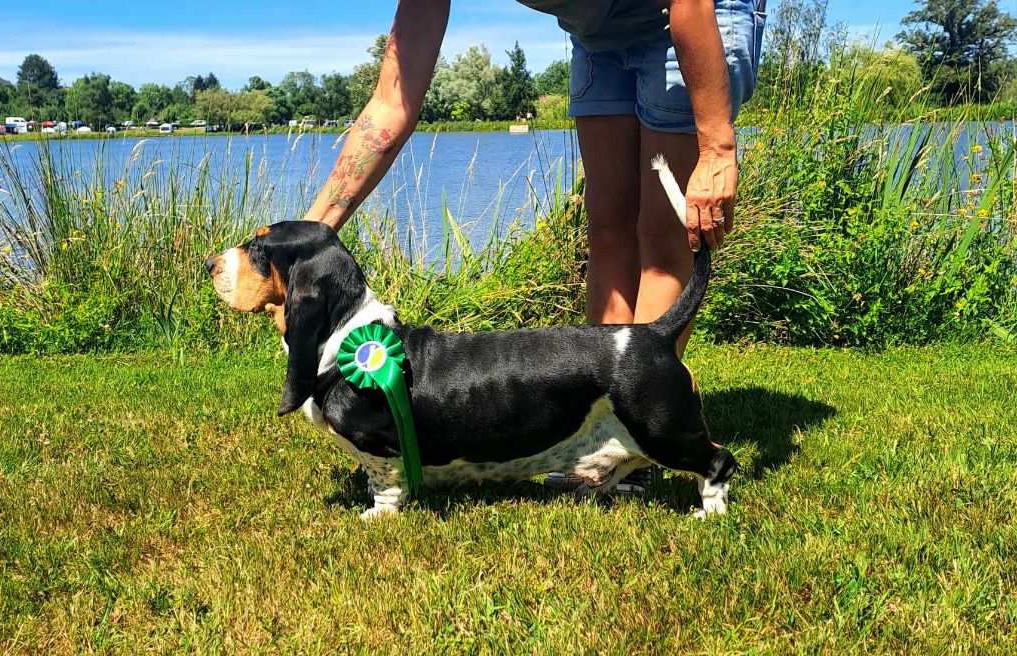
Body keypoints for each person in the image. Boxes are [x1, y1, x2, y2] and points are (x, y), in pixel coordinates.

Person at [303, 0, 765, 495]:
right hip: (600, 35)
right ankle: (599, 432)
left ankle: (640, 429)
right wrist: (308, 241)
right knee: (607, 227)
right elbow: (393, 101)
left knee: (660, 234)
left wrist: (717, 145)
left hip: (691, 17)